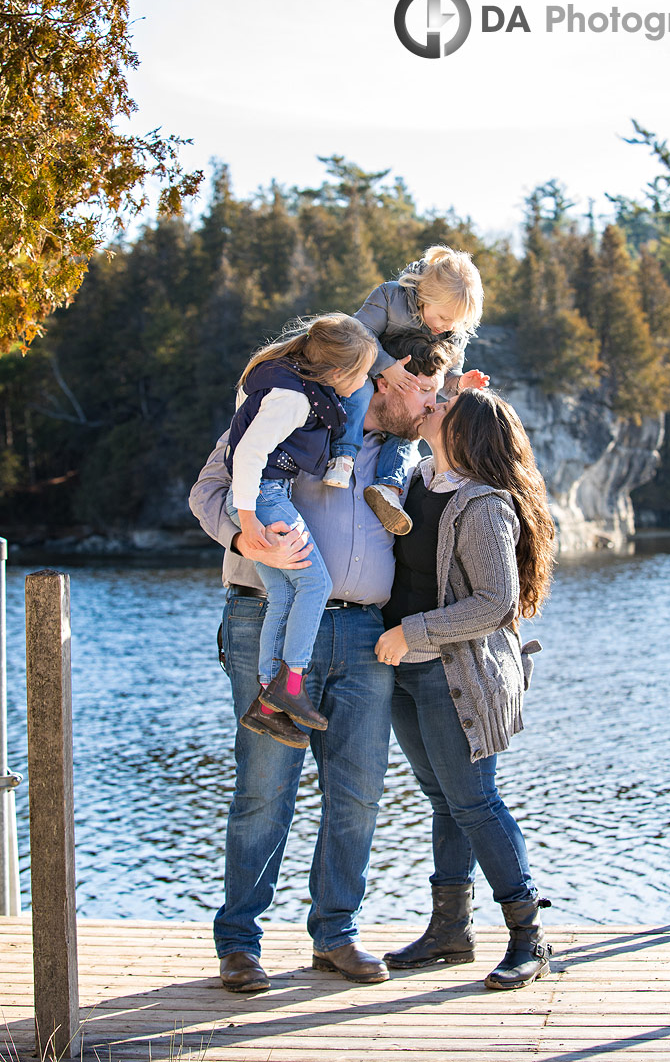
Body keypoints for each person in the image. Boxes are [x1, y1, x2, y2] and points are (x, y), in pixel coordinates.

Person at [188, 335, 452, 993]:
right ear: (385, 381)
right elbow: (207, 492)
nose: (430, 403)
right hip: (264, 620)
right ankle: (240, 945)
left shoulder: (404, 452)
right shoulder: (288, 416)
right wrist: (242, 534)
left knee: (357, 794)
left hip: (366, 634)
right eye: (422, 390)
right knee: (263, 789)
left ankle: (335, 935)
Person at [374, 388, 557, 991]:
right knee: (443, 798)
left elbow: (496, 603)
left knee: (475, 801)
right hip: (406, 670)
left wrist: (412, 632)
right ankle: (451, 931)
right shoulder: (420, 481)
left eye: (443, 405)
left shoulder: (482, 505)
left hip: (454, 675)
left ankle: (530, 937)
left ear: (462, 433)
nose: (432, 404)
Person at [224, 313, 377, 740]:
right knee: (315, 586)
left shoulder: (286, 381)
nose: (364, 382)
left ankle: (268, 700)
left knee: (283, 590)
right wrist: (251, 519)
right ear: (335, 373)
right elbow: (248, 454)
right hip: (265, 499)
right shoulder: (291, 398)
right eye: (361, 374)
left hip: (269, 497)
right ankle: (291, 686)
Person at [322, 246, 489, 536]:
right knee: (359, 392)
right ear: (426, 296)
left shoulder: (452, 332)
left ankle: (388, 487)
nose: (447, 327)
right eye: (443, 317)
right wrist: (385, 366)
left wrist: (460, 385)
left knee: (410, 428)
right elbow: (356, 335)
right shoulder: (390, 297)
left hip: (402, 391)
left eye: (456, 322)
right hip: (367, 368)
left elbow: (445, 377)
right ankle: (344, 455)